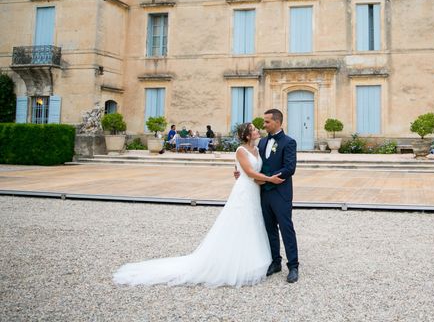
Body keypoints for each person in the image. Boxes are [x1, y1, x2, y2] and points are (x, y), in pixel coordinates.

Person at [113, 123, 284, 287]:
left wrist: (247, 175)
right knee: (239, 223)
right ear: (247, 134)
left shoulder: (257, 148)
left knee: (253, 224)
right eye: (254, 129)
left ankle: (254, 258)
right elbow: (249, 171)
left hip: (254, 190)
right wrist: (268, 179)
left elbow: (250, 170)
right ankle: (235, 262)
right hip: (244, 192)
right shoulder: (240, 150)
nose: (257, 130)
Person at [257, 108, 300, 283]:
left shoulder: (289, 142)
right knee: (269, 228)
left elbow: (290, 168)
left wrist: (269, 179)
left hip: (281, 193)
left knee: (286, 228)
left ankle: (294, 266)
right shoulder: (261, 142)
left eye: (267, 121)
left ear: (277, 122)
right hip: (264, 194)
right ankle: (275, 262)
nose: (264, 124)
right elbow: (257, 165)